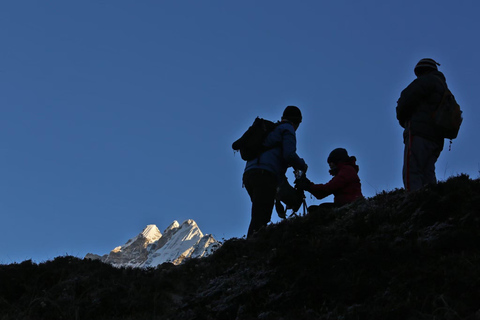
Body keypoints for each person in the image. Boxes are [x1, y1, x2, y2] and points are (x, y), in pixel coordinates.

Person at [242, 106, 308, 238]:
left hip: (249, 174)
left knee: (258, 214)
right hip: (265, 175)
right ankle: (250, 250)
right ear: (297, 122)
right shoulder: (288, 128)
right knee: (261, 217)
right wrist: (302, 165)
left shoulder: (272, 130)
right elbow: (289, 155)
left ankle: (250, 247)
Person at [396, 58, 451, 191]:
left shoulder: (425, 82)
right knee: (428, 172)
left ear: (421, 71)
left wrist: (402, 119)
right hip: (437, 138)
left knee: (412, 170)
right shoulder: (443, 88)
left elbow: (405, 100)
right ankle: (431, 204)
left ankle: (413, 204)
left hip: (419, 133)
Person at [295, 148, 363, 208]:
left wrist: (308, 186)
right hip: (347, 204)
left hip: (350, 204)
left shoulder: (347, 170)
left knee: (321, 210)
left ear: (337, 161)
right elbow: (322, 193)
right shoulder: (345, 171)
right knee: (316, 209)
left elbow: (328, 188)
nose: (330, 165)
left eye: (331, 162)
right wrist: (308, 185)